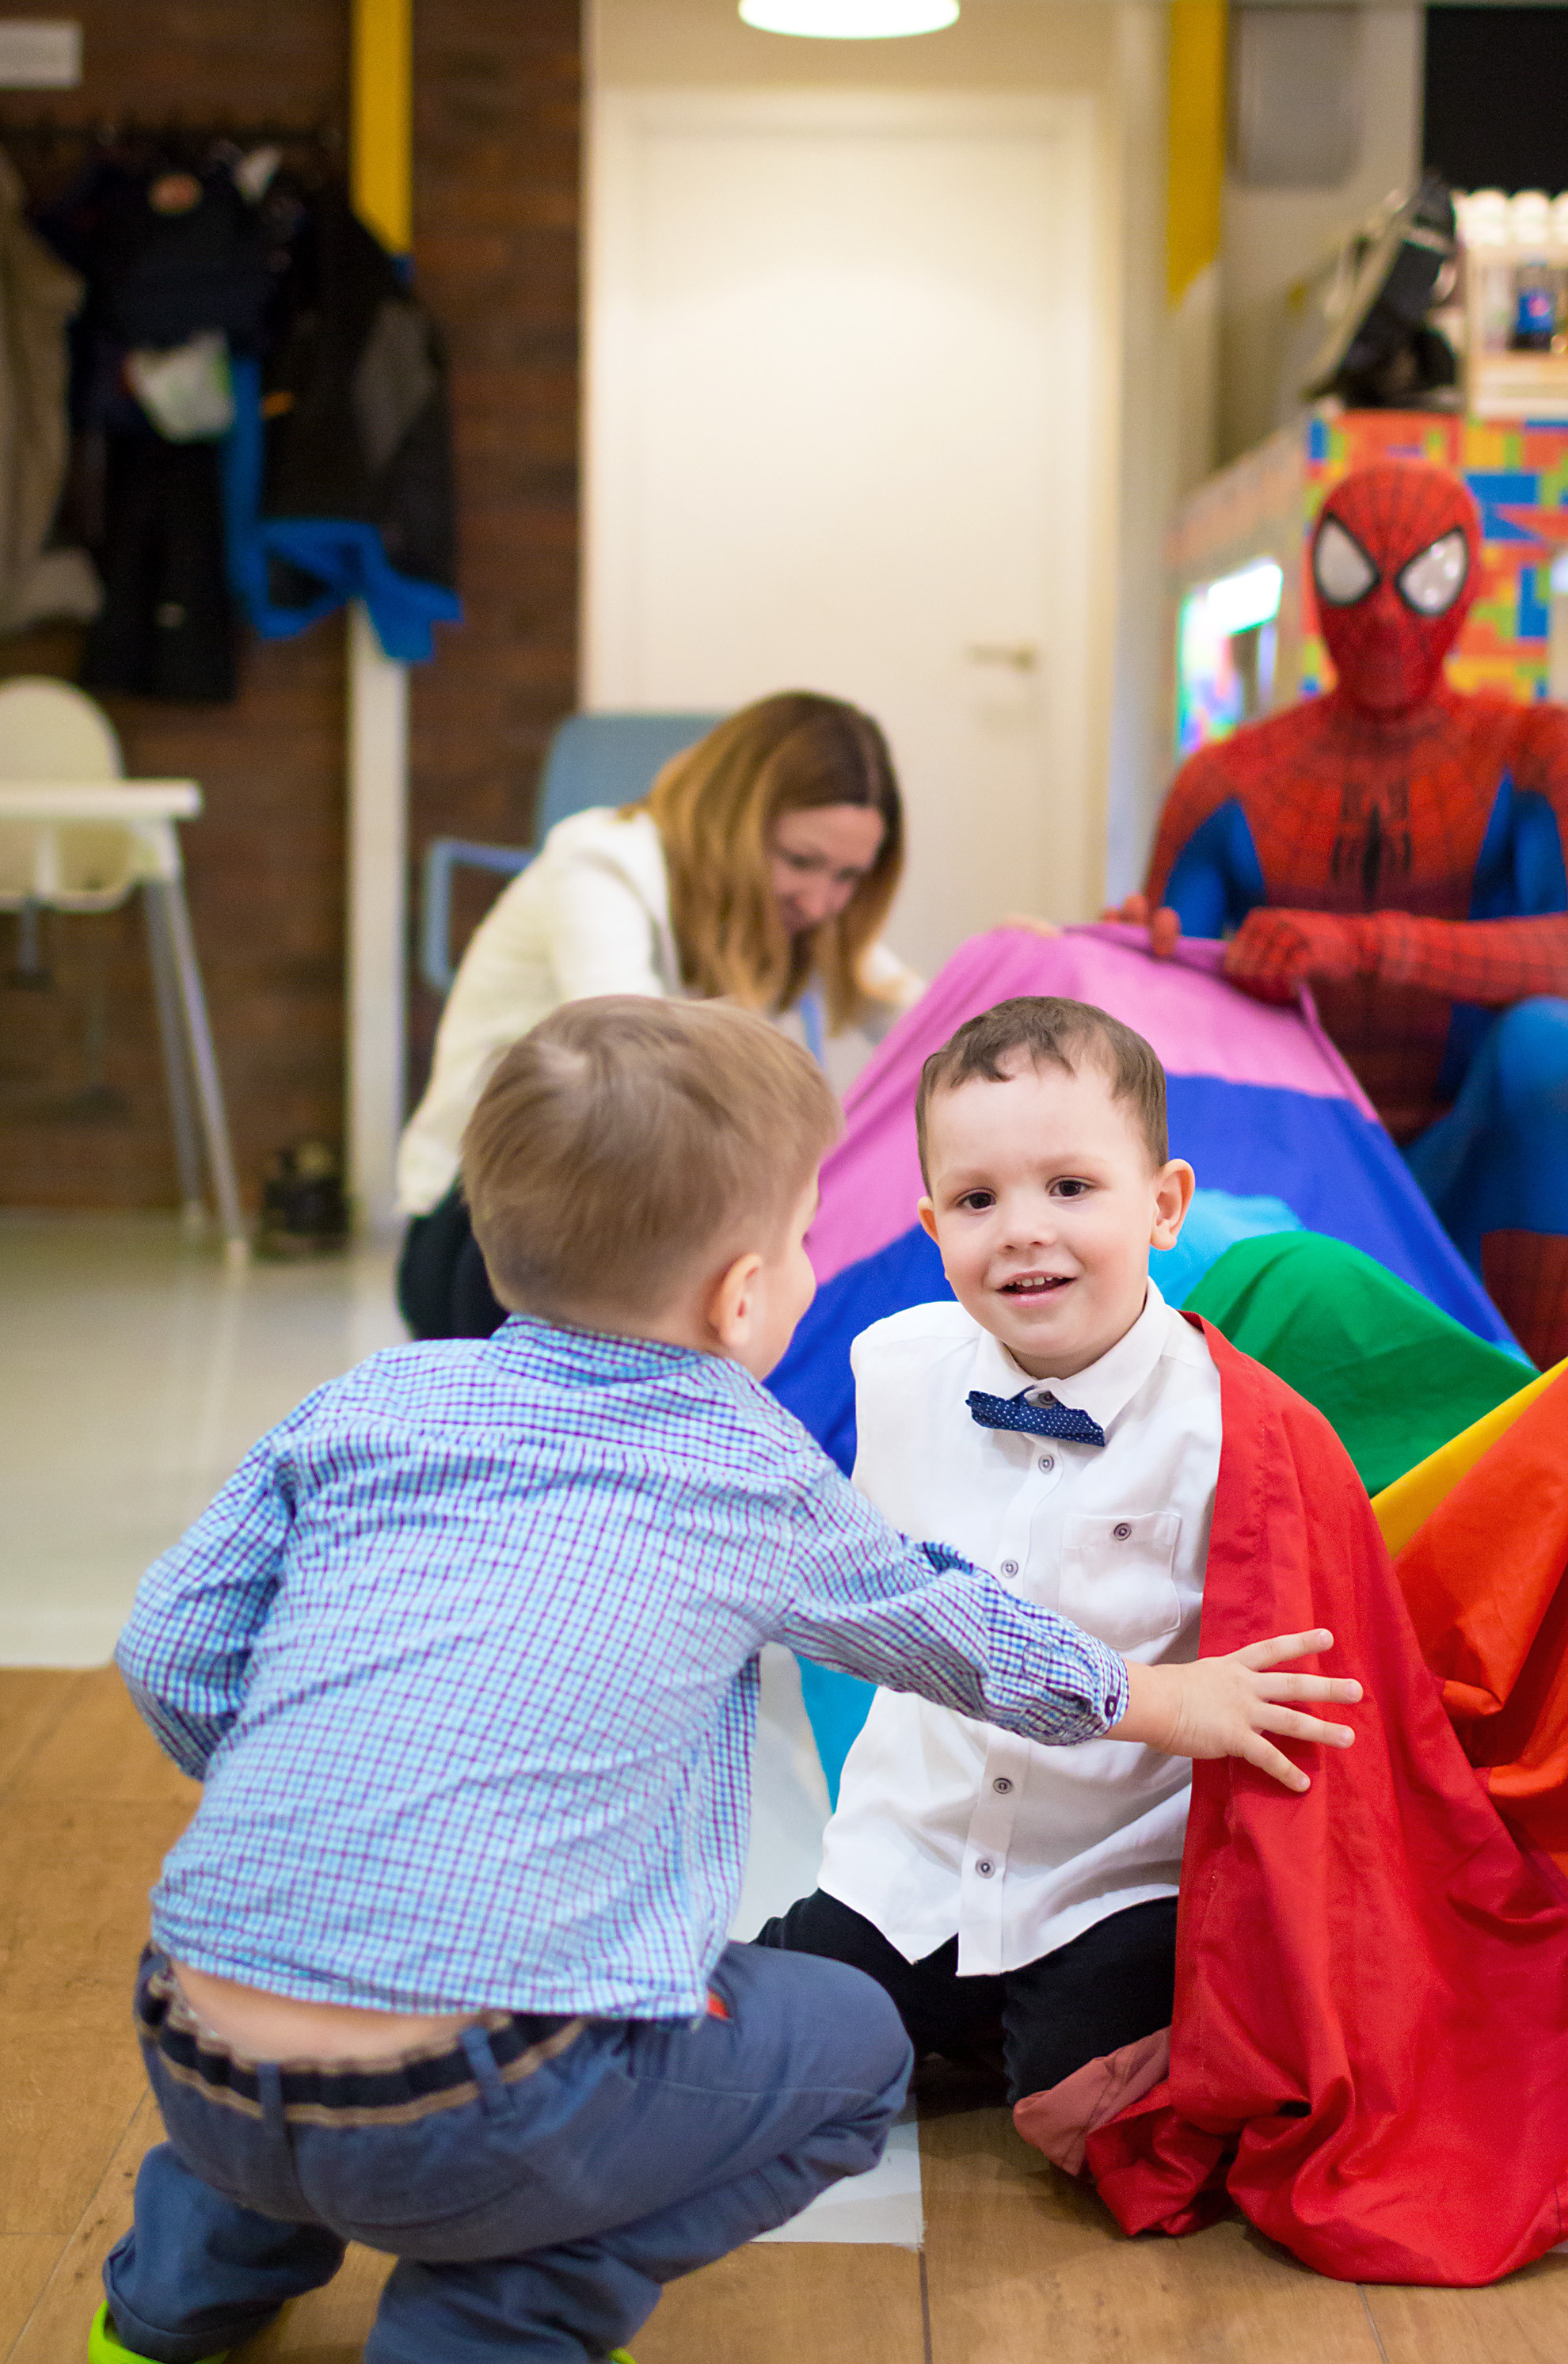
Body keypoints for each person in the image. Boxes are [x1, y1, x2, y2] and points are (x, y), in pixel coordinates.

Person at [99, 996, 1358, 2364]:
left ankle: (160, 2316)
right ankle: (503, 2314)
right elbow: (952, 1627)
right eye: (811, 1233)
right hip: (486, 2093)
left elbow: (165, 1648)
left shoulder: (364, 1403)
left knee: (278, 2098)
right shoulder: (748, 1466)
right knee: (850, 2052)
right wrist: (1164, 1700)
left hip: (193, 2031)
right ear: (741, 1294)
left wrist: (335, 1789)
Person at [760, 995, 1354, 2104]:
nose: (1024, 1229)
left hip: (1108, 1871)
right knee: (774, 2028)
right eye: (980, 1200)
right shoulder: (894, 1368)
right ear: (934, 1230)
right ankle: (929, 2018)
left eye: (1071, 1187)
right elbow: (878, 1596)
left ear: (1164, 1206)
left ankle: (1014, 2031)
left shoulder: (1230, 1424)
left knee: (1085, 2095)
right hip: (917, 1857)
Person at [1114, 459, 1568, 1370]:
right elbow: (1154, 1036)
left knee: (1545, 1050)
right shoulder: (1230, 785)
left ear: (1465, 586)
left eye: (1422, 579)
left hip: (1466, 1156)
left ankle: (1537, 1415)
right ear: (1319, 582)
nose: (1390, 615)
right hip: (1284, 1176)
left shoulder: (1532, 754)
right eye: (1359, 578)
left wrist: (1365, 946)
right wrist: (1131, 957)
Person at [396, 690, 923, 1340]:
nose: (821, 901)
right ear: (733, 822)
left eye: (848, 877)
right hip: (487, 1237)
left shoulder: (789, 905)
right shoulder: (602, 863)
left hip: (621, 1235)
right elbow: (638, 1072)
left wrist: (1011, 971)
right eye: (801, 861)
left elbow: (924, 1019)